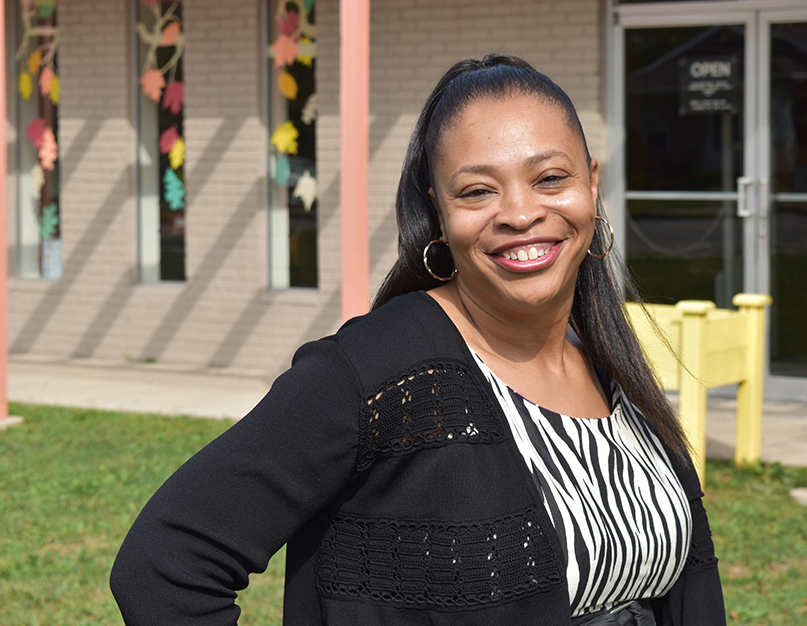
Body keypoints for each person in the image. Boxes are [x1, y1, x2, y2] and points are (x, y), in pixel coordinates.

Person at [110, 55, 727, 626]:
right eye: (478, 190)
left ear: (591, 185)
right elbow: (165, 565)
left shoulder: (608, 361)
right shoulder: (374, 375)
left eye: (549, 178)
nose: (519, 212)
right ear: (438, 211)